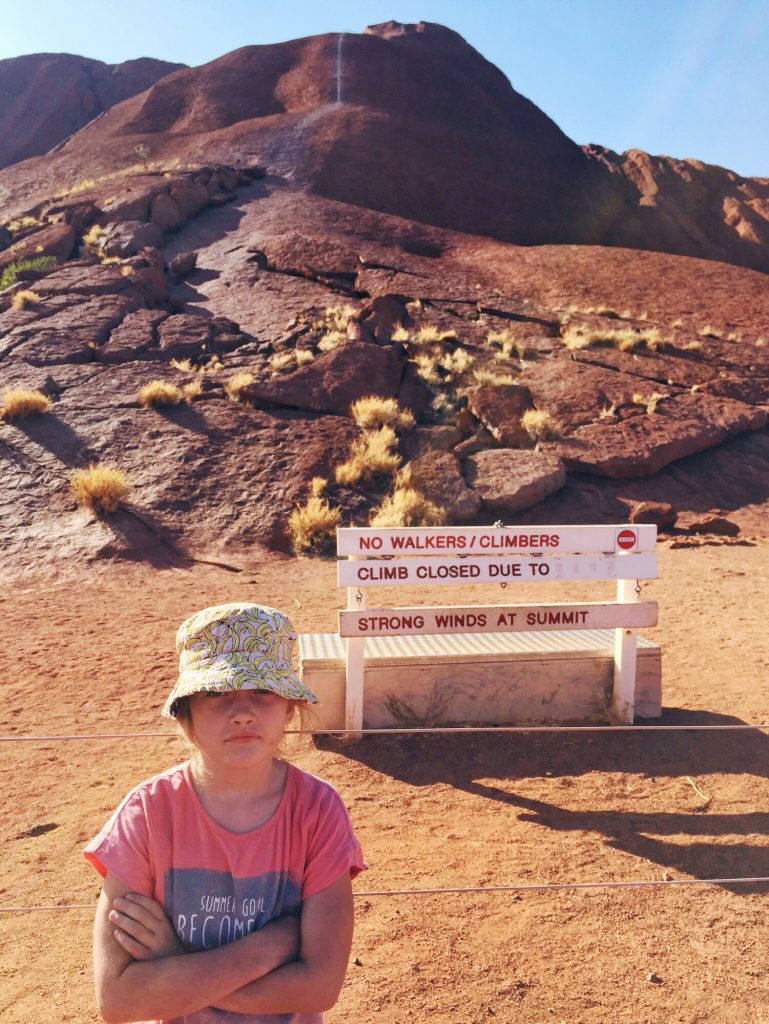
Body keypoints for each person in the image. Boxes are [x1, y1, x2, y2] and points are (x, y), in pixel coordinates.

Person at [84, 602, 366, 1024]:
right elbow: (120, 999)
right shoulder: (146, 814)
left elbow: (319, 986)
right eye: (217, 693)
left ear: (289, 707)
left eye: (263, 691)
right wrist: (270, 946)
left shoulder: (318, 811)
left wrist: (175, 964)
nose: (243, 712)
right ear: (186, 712)